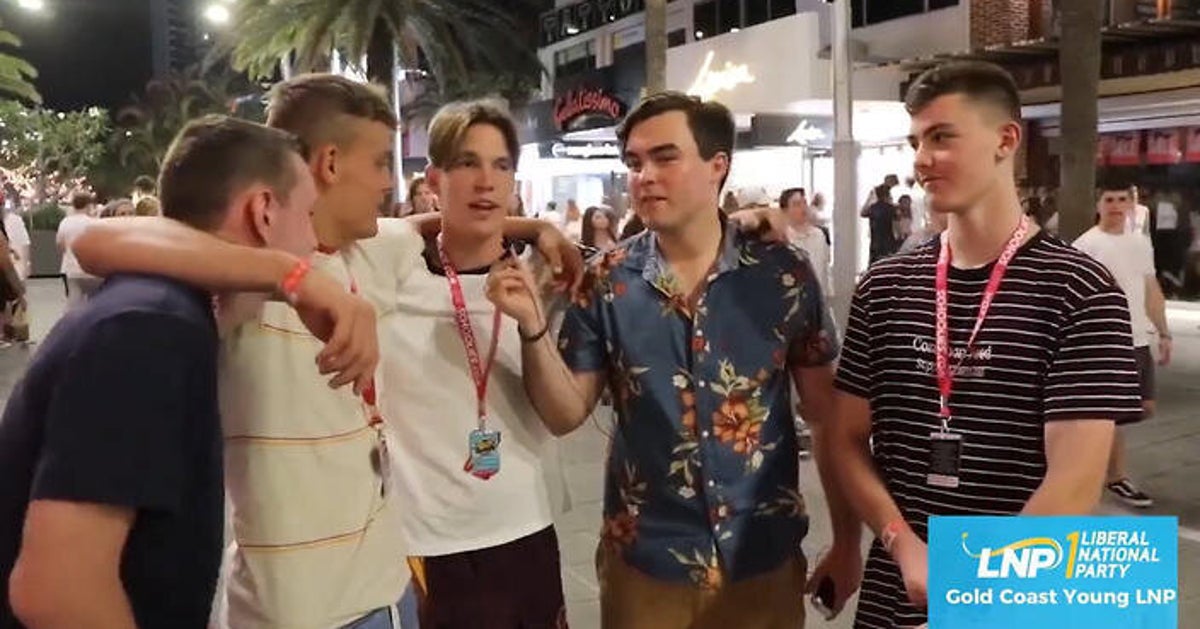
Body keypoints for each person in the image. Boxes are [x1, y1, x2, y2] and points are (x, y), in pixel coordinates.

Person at [71, 75, 583, 629]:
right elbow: (89, 240)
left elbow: (443, 223)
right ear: (331, 164)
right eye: (381, 162)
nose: (389, 182)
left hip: (388, 592)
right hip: (294, 613)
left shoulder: (375, 251)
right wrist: (291, 277)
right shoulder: (242, 272)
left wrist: (539, 227)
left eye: (501, 166)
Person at [488, 91, 862, 628]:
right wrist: (532, 325)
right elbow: (565, 412)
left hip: (762, 554)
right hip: (647, 562)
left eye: (665, 157)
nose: (644, 177)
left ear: (717, 166)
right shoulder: (608, 279)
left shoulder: (783, 273)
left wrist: (847, 541)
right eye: (634, 163)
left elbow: (826, 418)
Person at [0, 115, 380, 629]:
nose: (313, 244)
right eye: (308, 215)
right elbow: (57, 591)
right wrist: (290, 277)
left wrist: (284, 277)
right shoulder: (151, 330)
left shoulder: (158, 308)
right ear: (263, 211)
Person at [829, 61, 1142, 628]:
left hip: (1020, 601)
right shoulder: (885, 287)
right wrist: (901, 542)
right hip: (899, 591)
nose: (922, 159)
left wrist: (974, 602)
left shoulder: (1079, 290)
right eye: (916, 142)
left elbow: (1073, 484)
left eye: (942, 137)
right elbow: (846, 439)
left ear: (1006, 139)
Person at [378, 99, 570, 629]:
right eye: (467, 163)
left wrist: (539, 237)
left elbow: (564, 413)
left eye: (500, 165)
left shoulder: (541, 275)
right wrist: (535, 224)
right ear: (434, 180)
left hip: (526, 528)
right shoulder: (393, 264)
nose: (486, 181)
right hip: (427, 540)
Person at [1073, 184, 1171, 509]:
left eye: (1122, 200)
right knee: (1111, 414)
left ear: (1131, 204)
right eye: (1109, 199)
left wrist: (1164, 333)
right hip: (1105, 341)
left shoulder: (1139, 243)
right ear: (1098, 204)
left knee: (1144, 407)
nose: (1116, 205)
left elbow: (1150, 289)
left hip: (1138, 339)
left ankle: (1096, 470)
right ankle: (1113, 477)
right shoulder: (1085, 246)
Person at [781, 187, 832, 299]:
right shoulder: (782, 239)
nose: (803, 208)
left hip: (818, 298)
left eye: (804, 203)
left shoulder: (819, 234)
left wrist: (828, 293)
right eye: (797, 204)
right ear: (785, 210)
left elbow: (825, 267)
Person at [57, 191, 101, 308]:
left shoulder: (65, 222)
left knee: (73, 300)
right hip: (90, 268)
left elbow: (60, 243)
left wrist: (67, 253)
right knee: (94, 300)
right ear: (88, 205)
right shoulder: (93, 222)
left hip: (70, 267)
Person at [862, 183, 898, 263]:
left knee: (875, 264)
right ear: (887, 195)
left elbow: (862, 213)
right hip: (889, 242)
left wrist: (869, 198)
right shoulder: (891, 208)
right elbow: (896, 226)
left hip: (875, 242)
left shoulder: (872, 208)